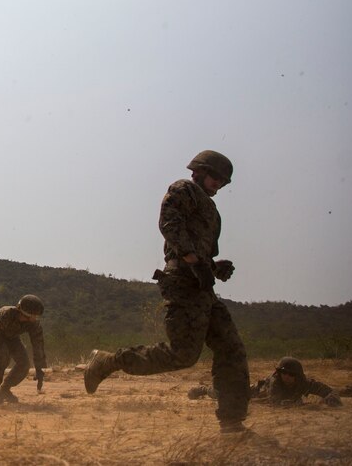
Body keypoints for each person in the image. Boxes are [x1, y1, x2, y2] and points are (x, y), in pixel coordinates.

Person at [84, 150, 250, 433]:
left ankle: (232, 422)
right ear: (199, 171)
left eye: (223, 181)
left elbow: (197, 251)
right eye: (215, 177)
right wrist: (193, 261)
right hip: (184, 283)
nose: (219, 184)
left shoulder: (210, 209)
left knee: (231, 348)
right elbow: (169, 224)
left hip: (202, 286)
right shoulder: (185, 189)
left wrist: (213, 267)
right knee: (183, 354)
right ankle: (110, 361)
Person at [189, 357, 342, 407]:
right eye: (283, 373)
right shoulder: (275, 381)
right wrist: (304, 405)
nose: (286, 376)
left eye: (290, 374)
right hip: (254, 392)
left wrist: (331, 398)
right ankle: (203, 389)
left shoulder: (304, 383)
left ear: (298, 375)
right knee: (223, 395)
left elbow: (328, 390)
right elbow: (276, 401)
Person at [0, 294, 48, 404]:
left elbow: (38, 345)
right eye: (34, 315)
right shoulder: (5, 313)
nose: (36, 318)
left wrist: (39, 368)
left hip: (12, 336)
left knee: (24, 364)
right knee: (2, 358)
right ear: (25, 313)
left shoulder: (34, 324)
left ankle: (5, 389)